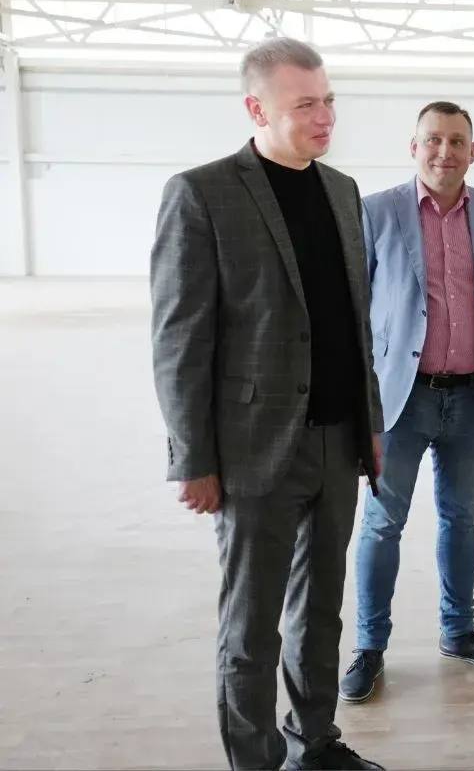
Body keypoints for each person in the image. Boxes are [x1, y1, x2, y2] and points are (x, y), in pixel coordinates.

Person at [151, 37, 384, 770]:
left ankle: (315, 742)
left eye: (329, 101)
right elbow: (179, 338)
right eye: (305, 105)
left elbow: (355, 322)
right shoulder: (202, 193)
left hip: (338, 441)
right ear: (257, 109)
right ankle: (252, 761)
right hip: (253, 449)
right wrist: (193, 458)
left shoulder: (341, 190)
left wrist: (371, 427)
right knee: (251, 627)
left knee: (321, 613)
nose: (325, 117)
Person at [340, 101, 474, 703]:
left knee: (462, 518)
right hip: (400, 399)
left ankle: (458, 631)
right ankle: (369, 647)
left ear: (473, 151)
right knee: (382, 523)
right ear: (413, 147)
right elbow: (356, 303)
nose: (445, 151)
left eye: (457, 141)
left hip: (470, 398)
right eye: (434, 140)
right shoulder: (375, 211)